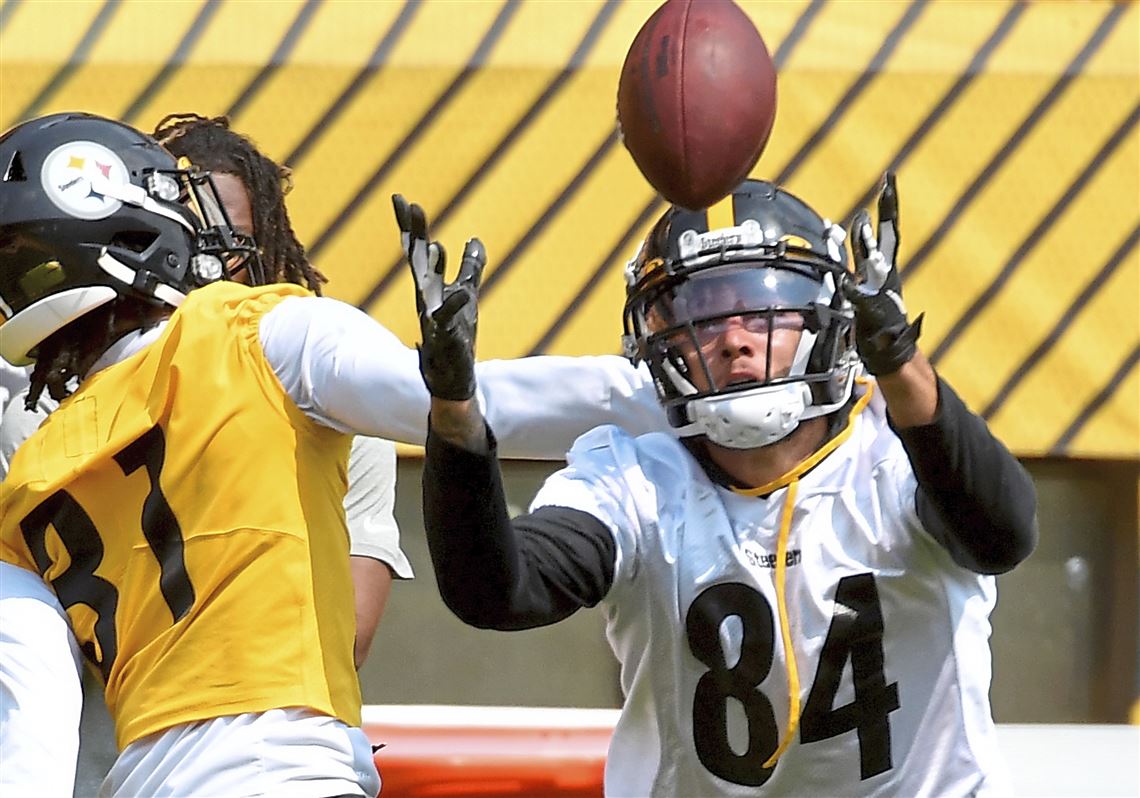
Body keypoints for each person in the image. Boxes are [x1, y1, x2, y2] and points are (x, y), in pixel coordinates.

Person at [0, 111, 670, 797]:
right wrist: (679, 397)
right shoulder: (253, 333)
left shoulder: (26, 480)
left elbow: (31, 741)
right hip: (286, 770)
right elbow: (468, 402)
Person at [407, 177, 1039, 796]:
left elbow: (1001, 535)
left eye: (762, 309)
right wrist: (456, 408)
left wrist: (900, 361)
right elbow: (496, 591)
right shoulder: (637, 481)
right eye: (702, 317)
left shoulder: (896, 454)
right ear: (656, 342)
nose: (735, 338)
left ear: (830, 318)